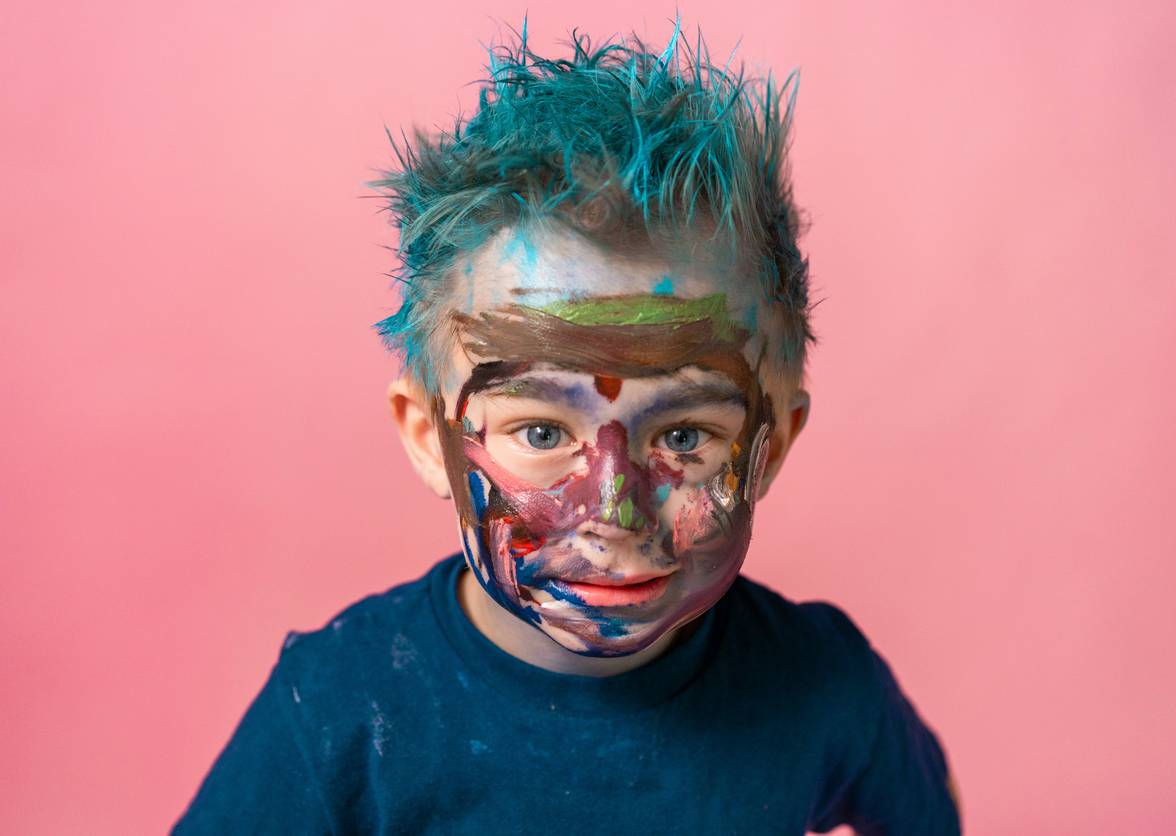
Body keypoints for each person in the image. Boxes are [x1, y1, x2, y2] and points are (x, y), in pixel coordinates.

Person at [174, 23, 961, 835]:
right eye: (542, 434)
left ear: (774, 444)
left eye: (685, 438)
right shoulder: (338, 710)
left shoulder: (823, 685)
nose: (614, 515)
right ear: (425, 435)